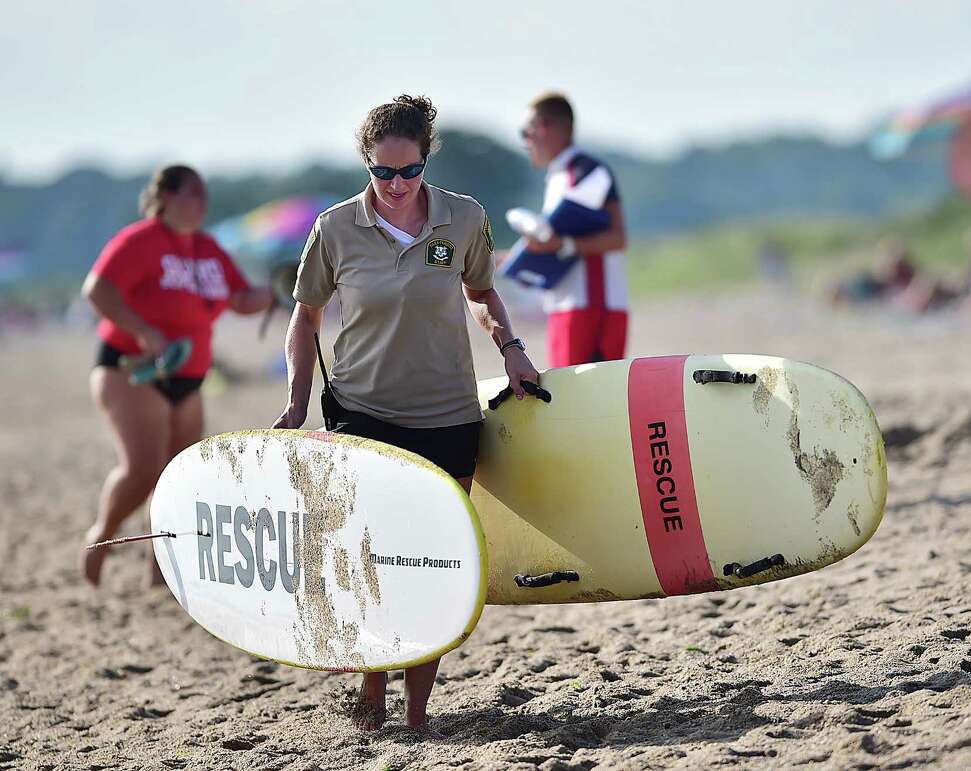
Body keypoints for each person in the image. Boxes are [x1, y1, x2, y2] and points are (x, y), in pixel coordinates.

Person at [272, 95, 540, 735]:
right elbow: (305, 318)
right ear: (366, 164)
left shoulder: (463, 218)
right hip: (364, 413)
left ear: (426, 159)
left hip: (448, 413)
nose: (395, 186)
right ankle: (372, 690)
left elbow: (483, 294)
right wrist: (297, 400)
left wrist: (513, 349)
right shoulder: (335, 229)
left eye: (408, 172)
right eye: (381, 173)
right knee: (377, 558)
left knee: (434, 562)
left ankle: (416, 715)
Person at [80, 165, 274, 586]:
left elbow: (240, 298)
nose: (202, 203)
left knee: (177, 475)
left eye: (205, 195)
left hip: (188, 377)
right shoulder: (140, 240)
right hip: (132, 369)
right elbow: (98, 289)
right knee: (144, 468)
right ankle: (102, 536)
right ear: (166, 196)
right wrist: (144, 331)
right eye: (192, 194)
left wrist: (278, 291)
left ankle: (159, 566)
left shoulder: (207, 248)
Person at [518, 92, 630, 366]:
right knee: (567, 403)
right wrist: (518, 258)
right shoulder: (559, 174)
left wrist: (560, 245)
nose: (524, 142)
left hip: (591, 307)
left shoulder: (585, 171)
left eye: (525, 132)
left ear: (544, 127)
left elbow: (617, 237)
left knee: (584, 405)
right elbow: (557, 238)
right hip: (566, 306)